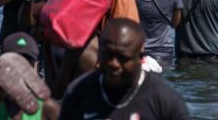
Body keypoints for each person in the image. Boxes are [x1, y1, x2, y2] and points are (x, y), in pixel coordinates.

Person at [59, 18, 191, 119]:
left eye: (123, 58)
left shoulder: (165, 102)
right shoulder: (78, 92)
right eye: (108, 55)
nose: (114, 63)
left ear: (140, 57)